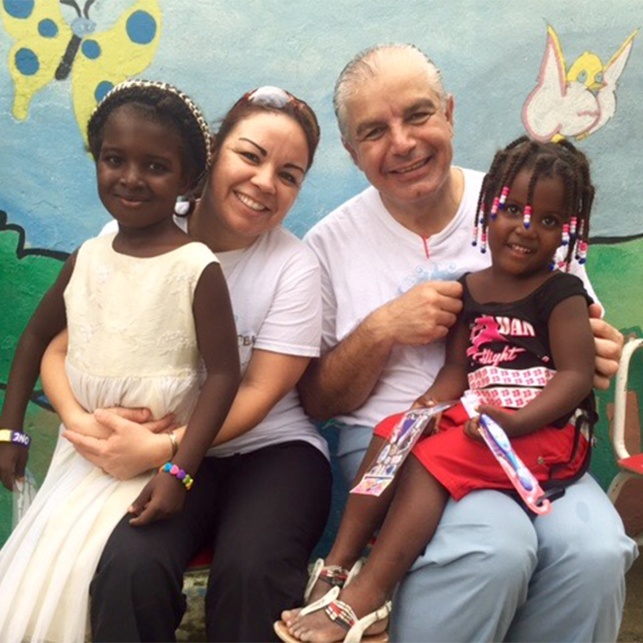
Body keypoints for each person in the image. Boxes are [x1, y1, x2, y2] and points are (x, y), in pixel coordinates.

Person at [287, 44, 636, 642]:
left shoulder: (522, 200)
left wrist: (594, 351)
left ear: (449, 113)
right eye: (375, 130)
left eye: (418, 115)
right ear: (350, 151)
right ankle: (361, 594)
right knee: (492, 550)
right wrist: (380, 330)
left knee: (598, 552)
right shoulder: (327, 245)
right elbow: (317, 402)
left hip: (534, 433)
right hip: (402, 436)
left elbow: (583, 342)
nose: (402, 143)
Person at [40, 86, 333, 642]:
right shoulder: (127, 233)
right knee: (130, 567)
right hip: (158, 461)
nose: (265, 182)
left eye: (290, 175)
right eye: (250, 155)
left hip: (269, 453)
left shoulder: (294, 267)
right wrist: (90, 429)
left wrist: (163, 448)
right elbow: (58, 345)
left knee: (253, 573)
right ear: (210, 158)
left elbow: (256, 394)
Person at [0, 79, 241, 642]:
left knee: (91, 579)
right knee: (29, 585)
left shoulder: (195, 266)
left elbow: (226, 374)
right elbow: (34, 341)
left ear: (188, 180)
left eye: (155, 166)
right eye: (114, 159)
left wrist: (179, 472)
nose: (130, 178)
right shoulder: (87, 257)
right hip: (78, 457)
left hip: (147, 465)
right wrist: (10, 431)